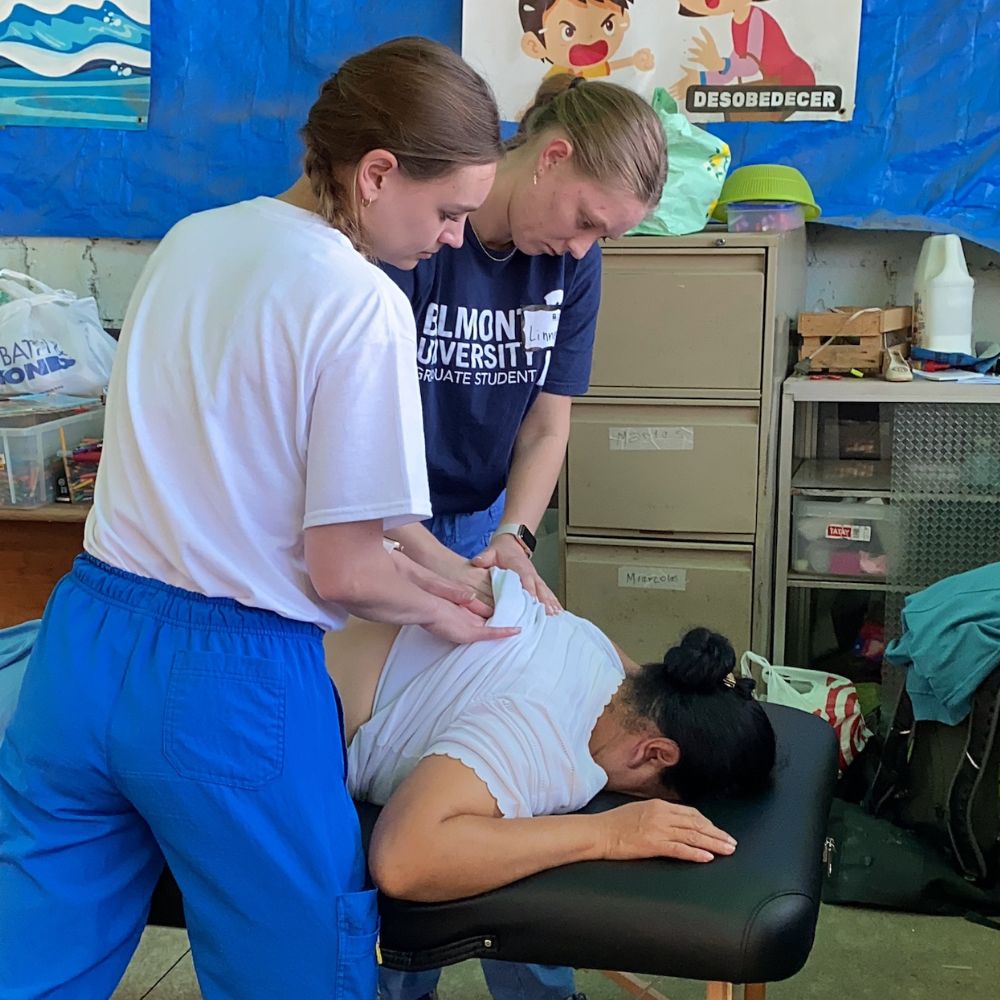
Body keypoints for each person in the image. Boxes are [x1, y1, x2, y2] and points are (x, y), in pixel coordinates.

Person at [0, 37, 514, 1000]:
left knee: (28, 959)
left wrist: (443, 565)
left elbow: (248, 467)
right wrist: (450, 614)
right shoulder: (360, 300)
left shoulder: (195, 237)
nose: (453, 238)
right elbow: (344, 572)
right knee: (297, 973)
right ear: (376, 173)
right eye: (447, 212)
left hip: (84, 644)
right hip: (226, 689)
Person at [376, 69, 666, 1000]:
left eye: (603, 237)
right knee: (400, 779)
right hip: (369, 519)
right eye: (585, 218)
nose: (583, 247)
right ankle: (397, 981)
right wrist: (409, 547)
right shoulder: (419, 230)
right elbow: (345, 423)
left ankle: (539, 988)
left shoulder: (574, 264)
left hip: (480, 524)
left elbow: (547, 425)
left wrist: (515, 536)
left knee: (524, 767)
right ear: (550, 155)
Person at [327, 568, 777, 902]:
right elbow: (403, 860)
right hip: (281, 713)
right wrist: (608, 834)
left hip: (306, 618)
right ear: (656, 753)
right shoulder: (546, 742)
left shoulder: (594, 647)